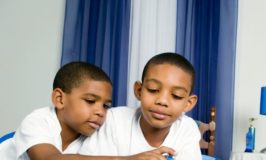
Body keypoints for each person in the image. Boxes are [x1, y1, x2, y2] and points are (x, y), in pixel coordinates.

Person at [0, 61, 174, 160]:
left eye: (106, 106)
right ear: (60, 99)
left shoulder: (97, 135)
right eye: (90, 101)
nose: (100, 112)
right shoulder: (39, 121)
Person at [80, 52, 202, 160]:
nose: (162, 101)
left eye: (176, 95)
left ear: (188, 103)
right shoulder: (114, 120)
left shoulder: (187, 129)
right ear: (139, 90)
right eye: (153, 90)